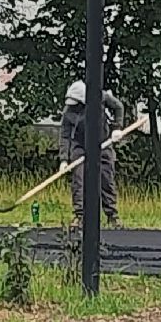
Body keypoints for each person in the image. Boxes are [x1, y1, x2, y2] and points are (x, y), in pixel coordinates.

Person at [59, 79, 122, 227]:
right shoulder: (69, 111)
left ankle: (112, 215)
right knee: (78, 179)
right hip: (80, 145)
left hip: (102, 142)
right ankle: (80, 216)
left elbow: (119, 107)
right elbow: (65, 135)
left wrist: (117, 128)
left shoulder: (101, 96)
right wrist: (63, 160)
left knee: (107, 178)